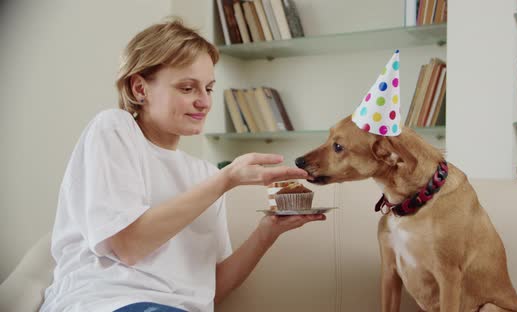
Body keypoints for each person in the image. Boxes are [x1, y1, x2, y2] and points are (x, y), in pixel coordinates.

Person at [39, 18, 325, 312]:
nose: (204, 102)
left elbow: (210, 288)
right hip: (105, 302)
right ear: (140, 89)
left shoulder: (204, 174)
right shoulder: (114, 129)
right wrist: (226, 180)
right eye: (188, 88)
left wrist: (267, 232)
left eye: (209, 89)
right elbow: (129, 246)